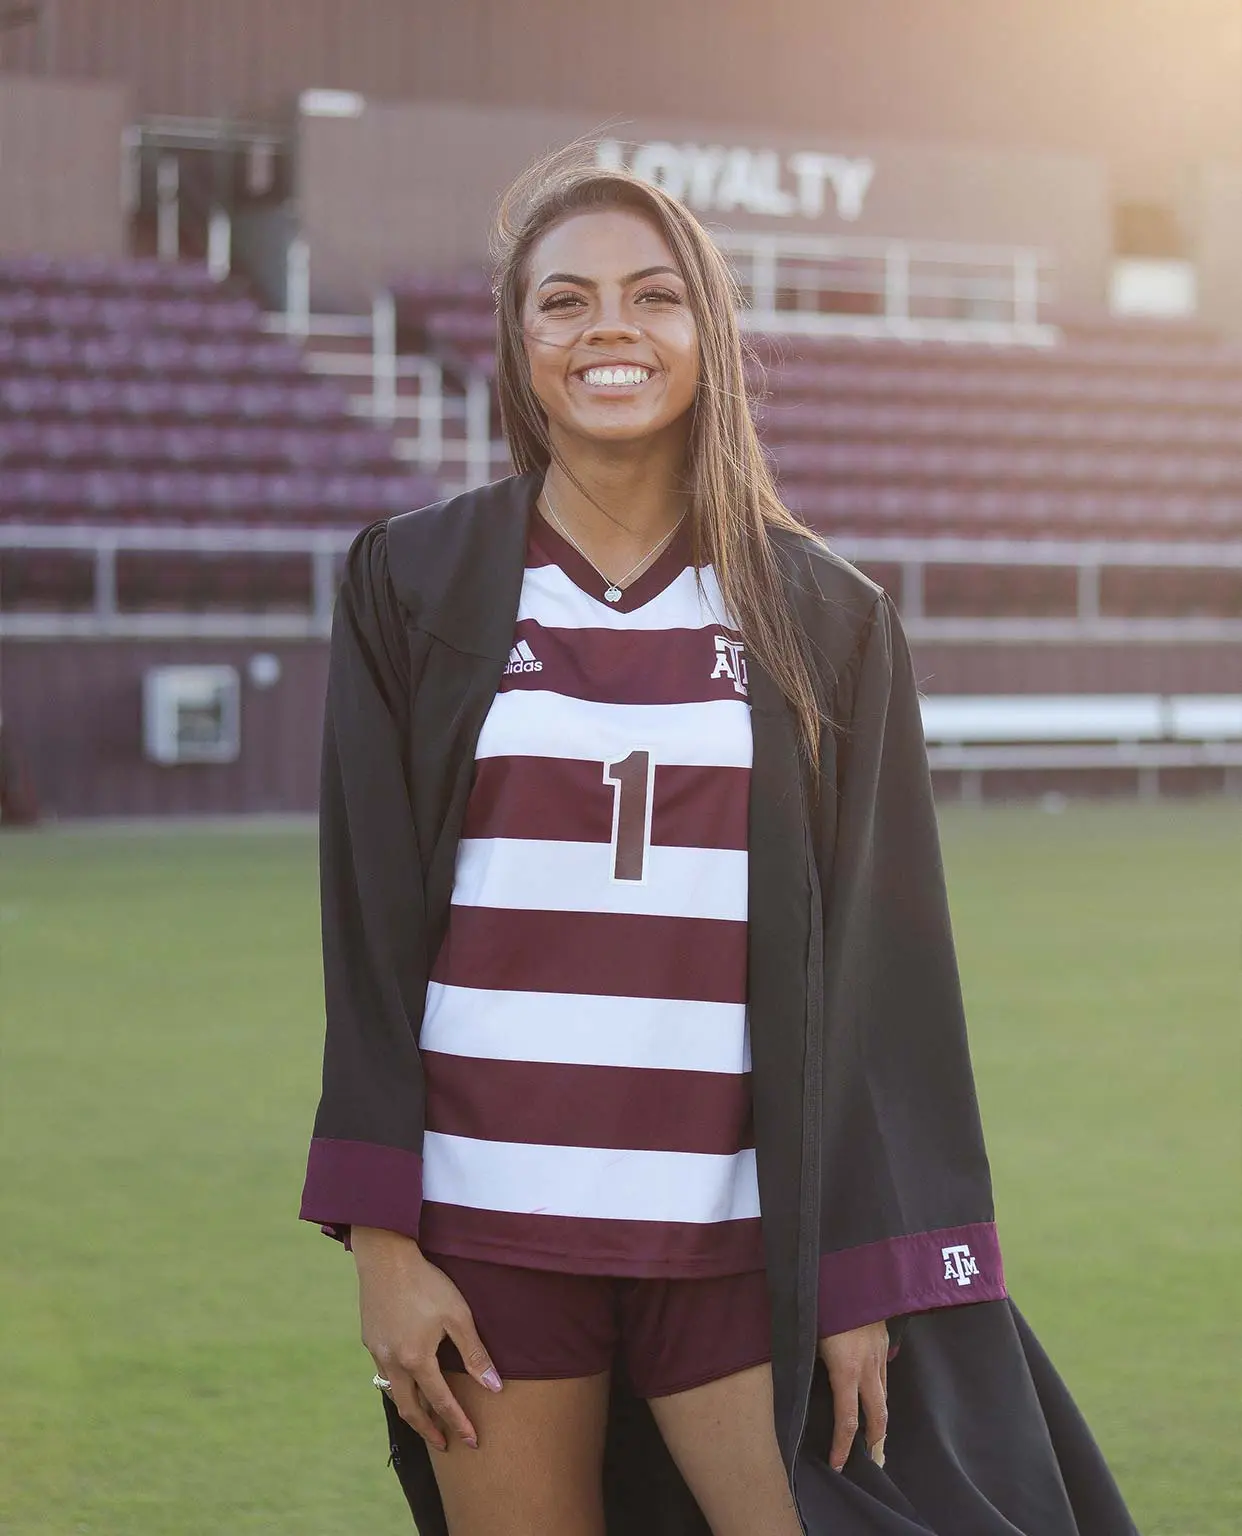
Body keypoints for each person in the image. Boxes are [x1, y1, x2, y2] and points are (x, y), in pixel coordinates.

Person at [300, 155, 1139, 1536]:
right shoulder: (411, 583)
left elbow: (882, 985)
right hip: (490, 1228)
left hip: (741, 1238)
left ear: (710, 336)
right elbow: (372, 937)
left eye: (652, 297)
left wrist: (866, 1276)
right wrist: (384, 1251)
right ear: (521, 347)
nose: (607, 330)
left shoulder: (826, 617)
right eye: (561, 303)